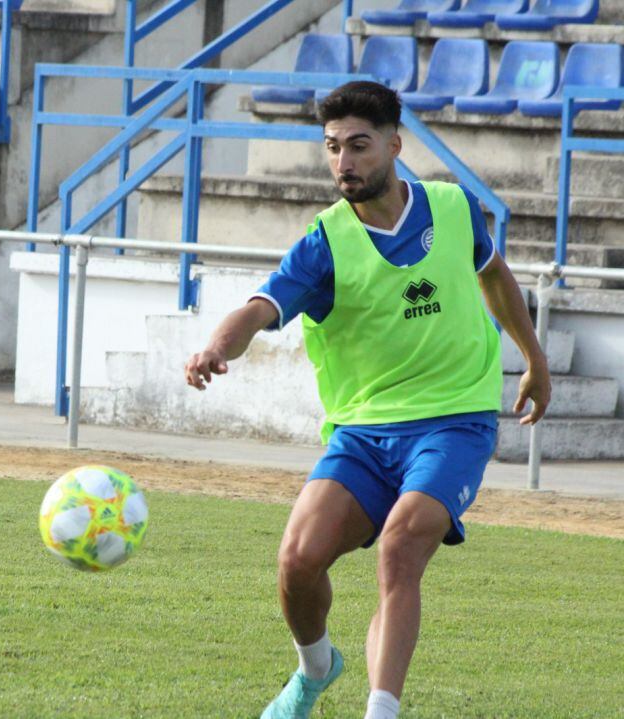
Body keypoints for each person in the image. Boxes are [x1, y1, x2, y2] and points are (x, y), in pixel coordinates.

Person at [183, 81, 551, 719]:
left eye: (358, 145)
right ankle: (316, 667)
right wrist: (216, 343)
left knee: (400, 546)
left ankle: (381, 710)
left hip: (453, 423)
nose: (344, 162)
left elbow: (493, 274)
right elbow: (261, 307)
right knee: (297, 562)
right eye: (332, 148)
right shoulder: (325, 242)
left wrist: (535, 360)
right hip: (361, 434)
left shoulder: (454, 207)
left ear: (394, 146)